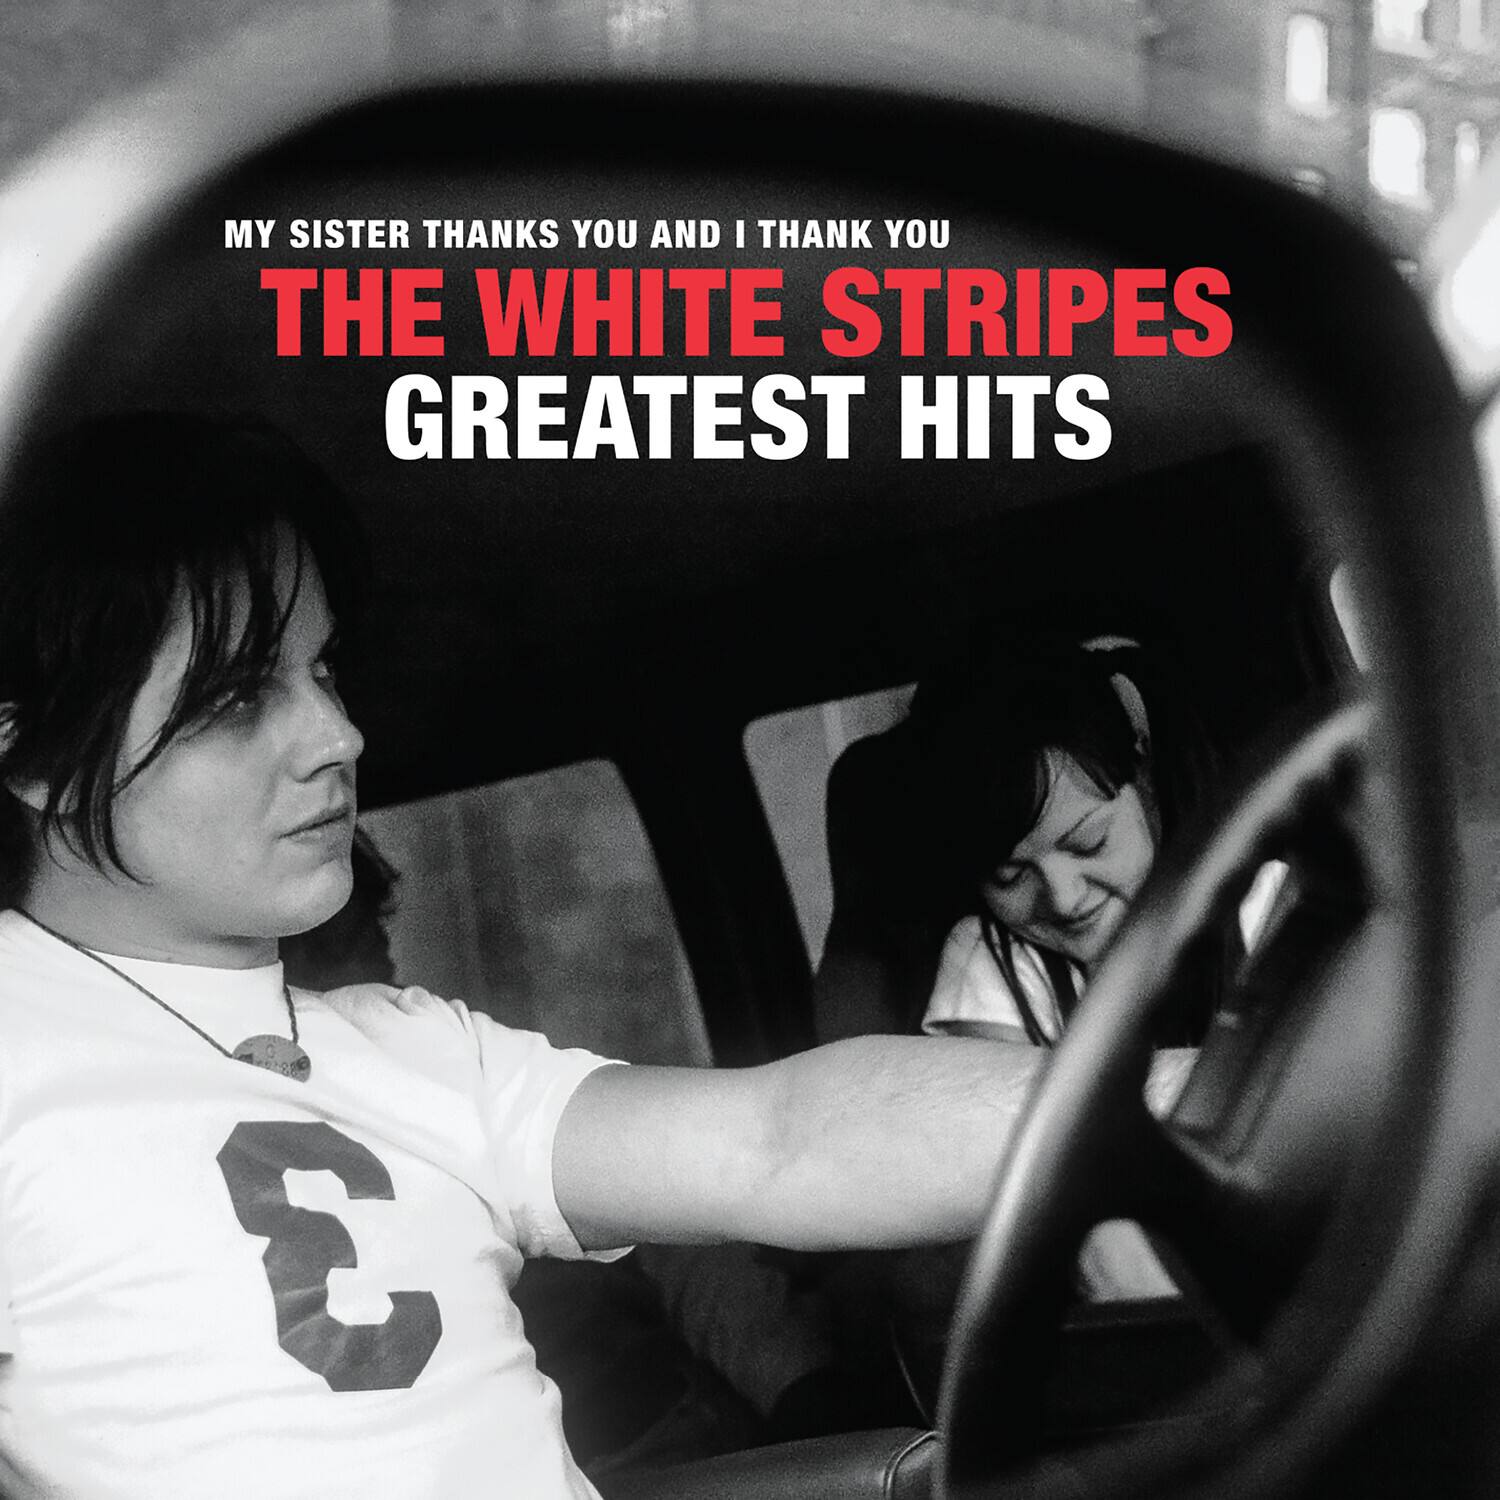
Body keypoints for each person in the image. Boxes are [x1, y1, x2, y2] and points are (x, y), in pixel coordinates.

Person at [0, 412, 1083, 1500]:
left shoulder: (417, 1049)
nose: (338, 735)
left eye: (322, 669)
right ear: (29, 748)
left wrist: (1154, 1096)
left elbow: (779, 1139)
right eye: (238, 697)